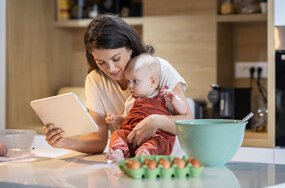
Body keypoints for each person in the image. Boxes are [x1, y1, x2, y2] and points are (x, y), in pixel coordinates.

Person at [43, 14, 193, 153]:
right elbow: (98, 140)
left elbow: (188, 123)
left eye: (116, 59)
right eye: (101, 62)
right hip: (127, 161)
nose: (111, 69)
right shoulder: (96, 80)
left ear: (130, 48)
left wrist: (156, 120)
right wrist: (63, 142)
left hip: (168, 163)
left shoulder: (158, 69)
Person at [105, 53, 187, 161]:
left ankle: (145, 153)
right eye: (128, 81)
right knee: (118, 134)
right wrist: (116, 119)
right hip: (132, 135)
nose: (130, 86)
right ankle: (119, 152)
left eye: (135, 81)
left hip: (156, 135)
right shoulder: (131, 100)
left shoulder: (164, 96)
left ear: (152, 81)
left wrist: (176, 101)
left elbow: (183, 112)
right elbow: (126, 118)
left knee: (158, 142)